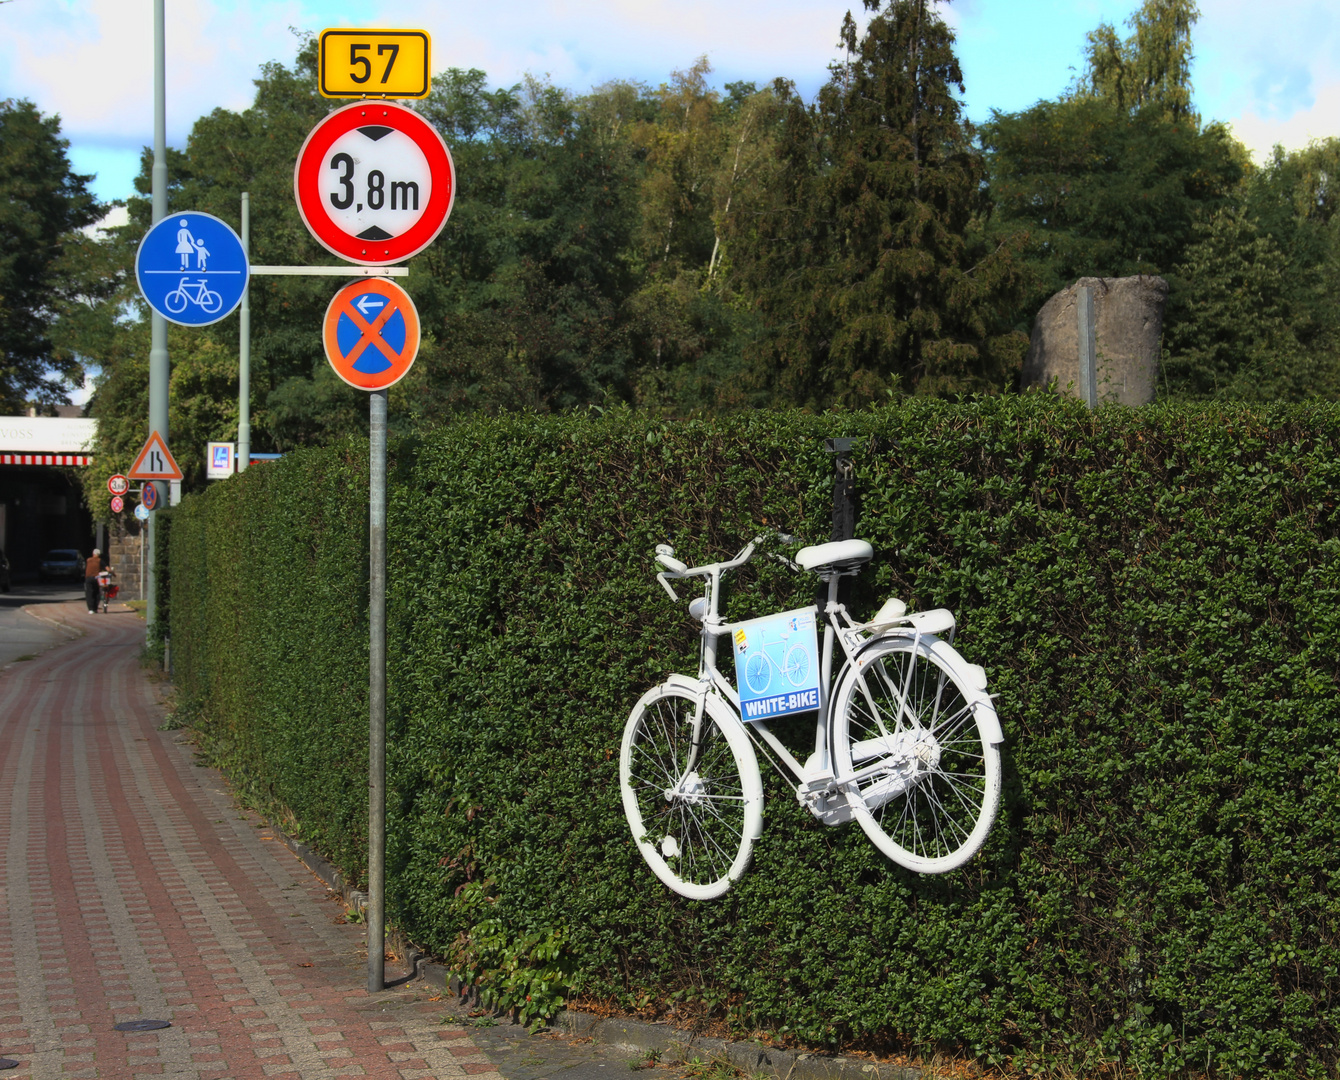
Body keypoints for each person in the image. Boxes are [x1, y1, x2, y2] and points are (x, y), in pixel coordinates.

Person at [84, 549, 103, 614]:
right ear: (99, 555)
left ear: (93, 554)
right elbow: (107, 568)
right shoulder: (99, 560)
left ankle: (90, 609)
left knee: (89, 593)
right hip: (96, 578)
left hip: (88, 578)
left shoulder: (88, 560)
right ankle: (95, 608)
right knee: (97, 592)